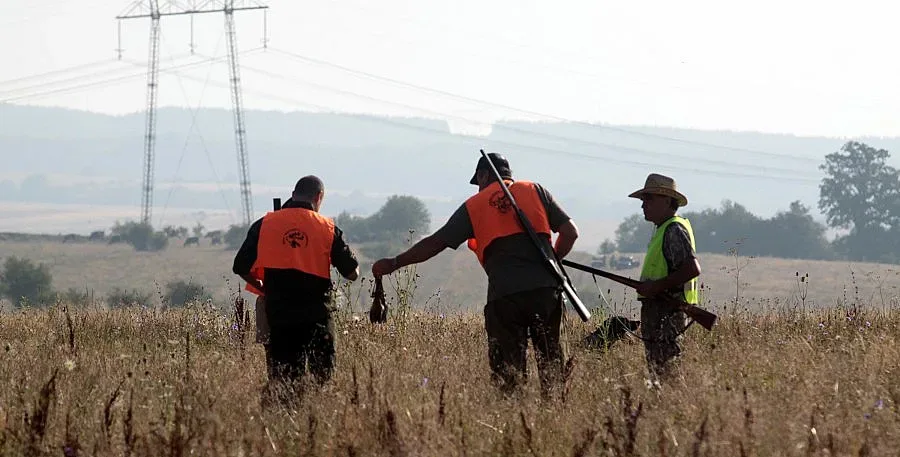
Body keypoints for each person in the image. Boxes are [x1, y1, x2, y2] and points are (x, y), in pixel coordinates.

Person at [372, 153, 579, 398]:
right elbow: (570, 232)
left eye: (478, 181)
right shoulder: (536, 190)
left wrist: (396, 262)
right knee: (553, 370)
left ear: (482, 175)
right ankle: (554, 419)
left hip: (504, 297)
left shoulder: (475, 205)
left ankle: (514, 421)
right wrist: (552, 260)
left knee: (509, 379)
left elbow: (435, 243)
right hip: (546, 291)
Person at [232, 176, 359, 400]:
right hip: (317, 314)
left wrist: (262, 286)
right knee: (322, 376)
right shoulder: (326, 228)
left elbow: (240, 266)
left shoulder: (265, 224)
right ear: (318, 197)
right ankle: (313, 413)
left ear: (293, 194)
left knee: (284, 378)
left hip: (280, 315)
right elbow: (352, 274)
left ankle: (283, 418)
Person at [628, 173, 701, 384]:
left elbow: (692, 268)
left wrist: (655, 287)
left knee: (668, 373)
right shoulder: (663, 229)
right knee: (660, 372)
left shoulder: (673, 229)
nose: (644, 205)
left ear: (667, 201)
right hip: (661, 311)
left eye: (649, 199)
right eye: (643, 200)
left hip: (667, 312)